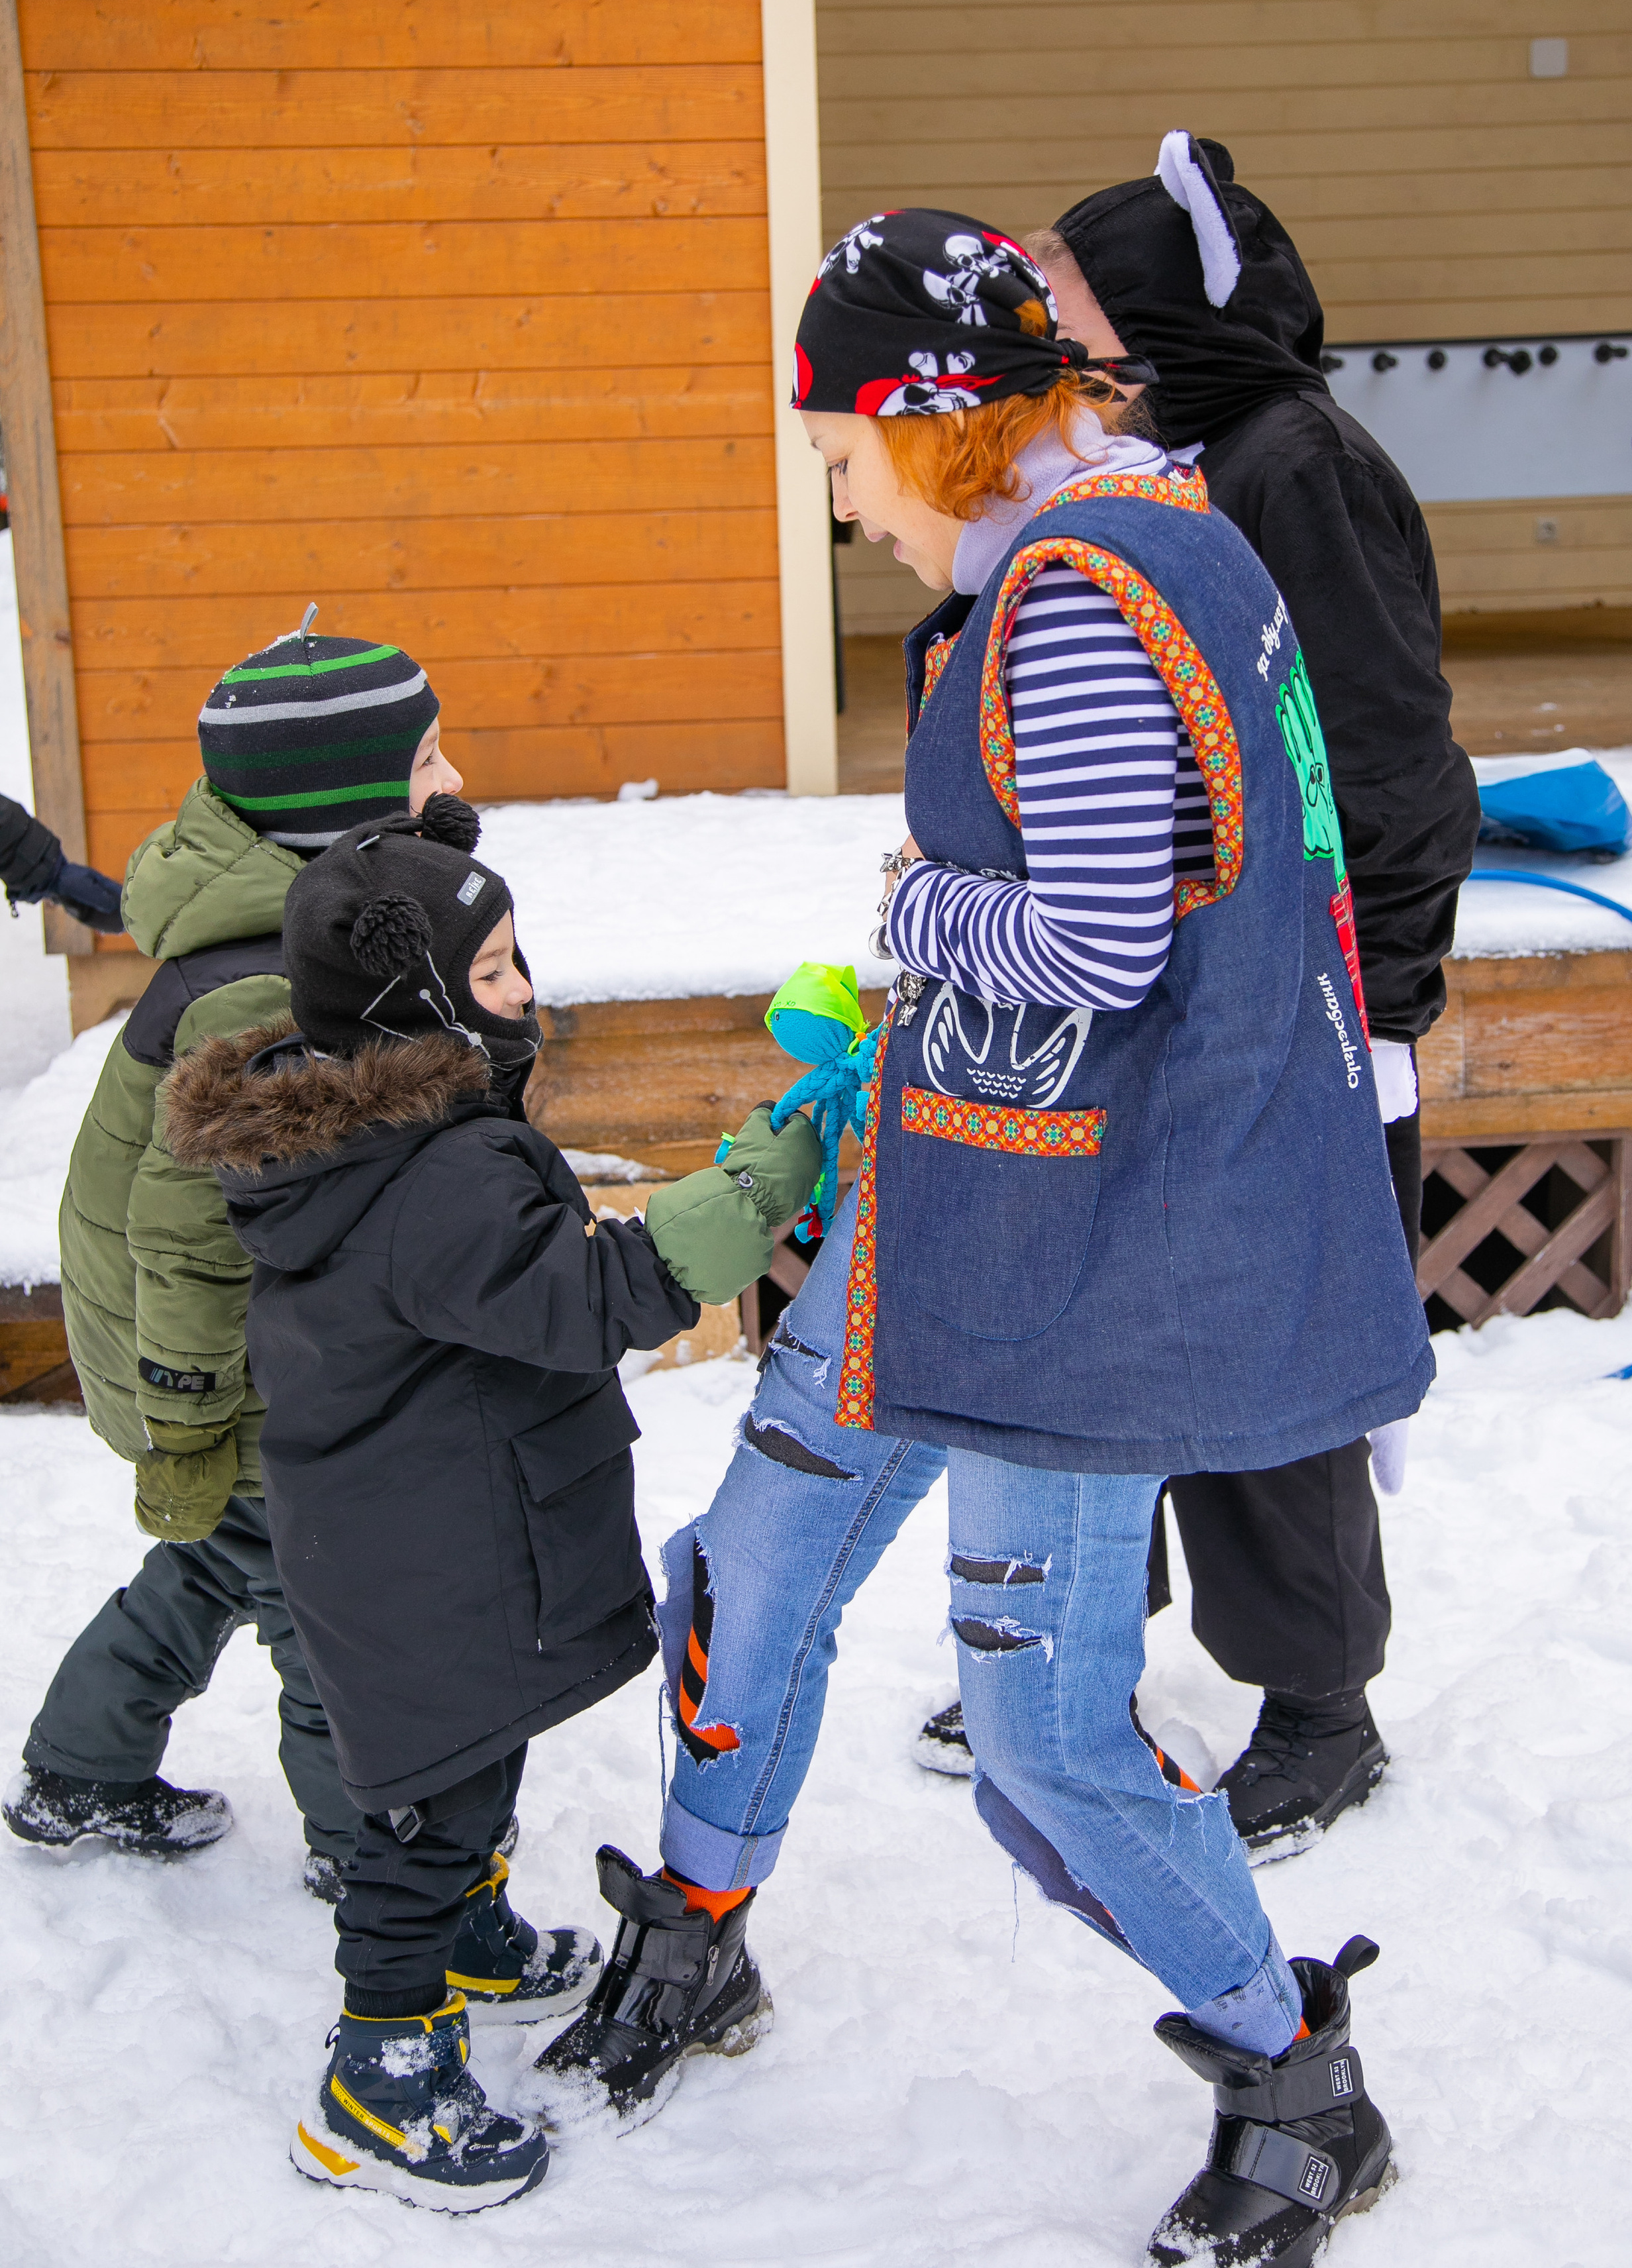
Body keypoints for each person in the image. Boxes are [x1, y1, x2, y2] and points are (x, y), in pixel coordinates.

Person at [537, 211, 1429, 2263]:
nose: (843, 504)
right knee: (753, 1562)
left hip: (1083, 1251)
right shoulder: (1138, 530)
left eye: (840, 455)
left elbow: (1099, 942)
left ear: (930, 419)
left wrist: (915, 914)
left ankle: (1296, 2078)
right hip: (957, 1178)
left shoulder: (1078, 599)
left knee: (1042, 1725)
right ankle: (698, 1921)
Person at [915, 134, 1479, 1855]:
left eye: (1073, 309)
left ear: (1160, 309)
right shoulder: (1158, 468)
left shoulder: (1292, 466)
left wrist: (1367, 1001)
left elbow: (1381, 753)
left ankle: (1318, 1706)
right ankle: (1097, 1630)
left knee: (1267, 1351)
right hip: (1163, 992)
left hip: (1292, 1004)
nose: (1051, 340)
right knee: (1128, 1319)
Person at [166, 800, 821, 2212]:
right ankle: (378, 2077)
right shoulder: (435, 1174)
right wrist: (740, 1197)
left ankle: (470, 1939)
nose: (525, 990)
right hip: (433, 1548)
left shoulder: (375, 1138)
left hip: (417, 1526)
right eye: (492, 970)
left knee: (471, 1754)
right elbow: (582, 1298)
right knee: (424, 1816)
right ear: (407, 999)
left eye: (518, 956)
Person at [3, 611, 461, 1888]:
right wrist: (191, 1422)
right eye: (428, 761)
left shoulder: (304, 922)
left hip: (223, 1338)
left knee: (221, 1560)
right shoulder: (268, 983)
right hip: (216, 1359)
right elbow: (190, 1240)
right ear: (348, 806)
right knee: (327, 1614)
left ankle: (80, 1770)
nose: (454, 780)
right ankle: (378, 1868)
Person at [1, 792, 125, 934]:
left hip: (34, 862)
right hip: (35, 855)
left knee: (64, 881)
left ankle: (125, 913)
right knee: (63, 880)